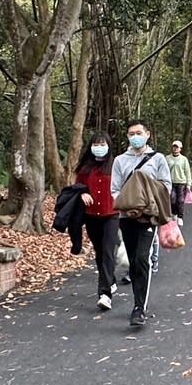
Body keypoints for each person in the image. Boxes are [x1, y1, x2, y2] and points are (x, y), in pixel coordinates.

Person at [111, 120, 172, 329]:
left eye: (138, 132)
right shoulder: (120, 160)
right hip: (126, 218)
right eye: (131, 133)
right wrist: (126, 207)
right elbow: (115, 189)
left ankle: (139, 307)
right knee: (134, 262)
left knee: (142, 258)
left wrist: (146, 200)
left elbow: (166, 186)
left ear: (148, 134)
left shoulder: (158, 159)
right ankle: (138, 300)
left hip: (148, 217)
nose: (134, 136)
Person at [74, 132, 119, 311]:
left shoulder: (116, 165)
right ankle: (111, 280)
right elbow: (77, 187)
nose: (99, 147)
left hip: (112, 214)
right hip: (91, 215)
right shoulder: (86, 168)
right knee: (100, 252)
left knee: (108, 251)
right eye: (96, 144)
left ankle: (104, 294)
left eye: (102, 144)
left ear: (108, 146)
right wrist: (83, 193)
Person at [165, 141, 192, 226]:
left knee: (180, 201)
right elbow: (164, 171)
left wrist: (188, 184)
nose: (175, 149)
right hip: (171, 182)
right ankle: (174, 214)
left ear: (180, 148)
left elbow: (188, 172)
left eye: (177, 147)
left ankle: (180, 217)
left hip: (181, 182)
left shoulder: (184, 159)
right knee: (172, 200)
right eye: (174, 147)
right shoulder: (167, 158)